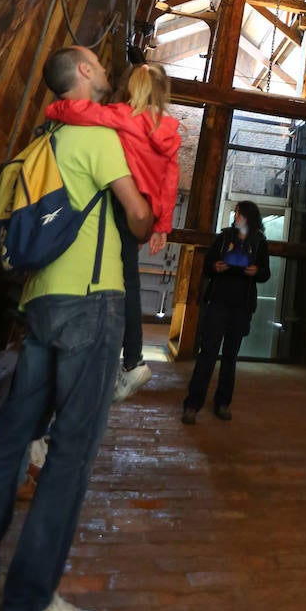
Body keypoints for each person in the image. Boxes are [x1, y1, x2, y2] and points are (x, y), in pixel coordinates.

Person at [0, 46, 154, 611]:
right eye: (96, 63)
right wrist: (148, 207)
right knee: (70, 454)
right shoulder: (95, 136)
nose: (105, 68)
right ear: (82, 75)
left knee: (8, 444)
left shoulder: (39, 144)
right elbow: (136, 218)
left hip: (39, 305)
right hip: (92, 300)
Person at [46, 61, 181, 402]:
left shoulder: (122, 115)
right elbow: (169, 182)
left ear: (131, 88)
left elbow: (82, 112)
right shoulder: (169, 131)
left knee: (112, 280)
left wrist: (53, 108)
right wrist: (161, 226)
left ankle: (121, 360)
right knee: (130, 280)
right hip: (144, 214)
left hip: (120, 205)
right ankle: (133, 357)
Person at [181, 201, 270, 424]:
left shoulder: (259, 242)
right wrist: (215, 267)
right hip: (219, 302)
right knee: (208, 353)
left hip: (241, 305)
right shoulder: (224, 237)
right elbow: (208, 264)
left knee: (230, 356)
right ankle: (193, 403)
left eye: (239, 213)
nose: (236, 216)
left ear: (248, 216)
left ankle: (223, 403)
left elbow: (265, 272)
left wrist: (256, 271)